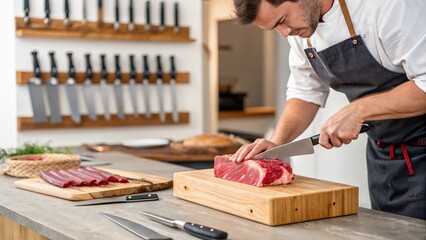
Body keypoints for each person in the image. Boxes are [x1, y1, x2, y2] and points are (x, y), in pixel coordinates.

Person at [229, 0, 426, 220]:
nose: (284, 33)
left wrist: (359, 109)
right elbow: (305, 93)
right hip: (383, 156)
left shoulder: (388, 6)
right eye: (275, 27)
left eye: (283, 20)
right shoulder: (300, 32)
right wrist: (276, 142)